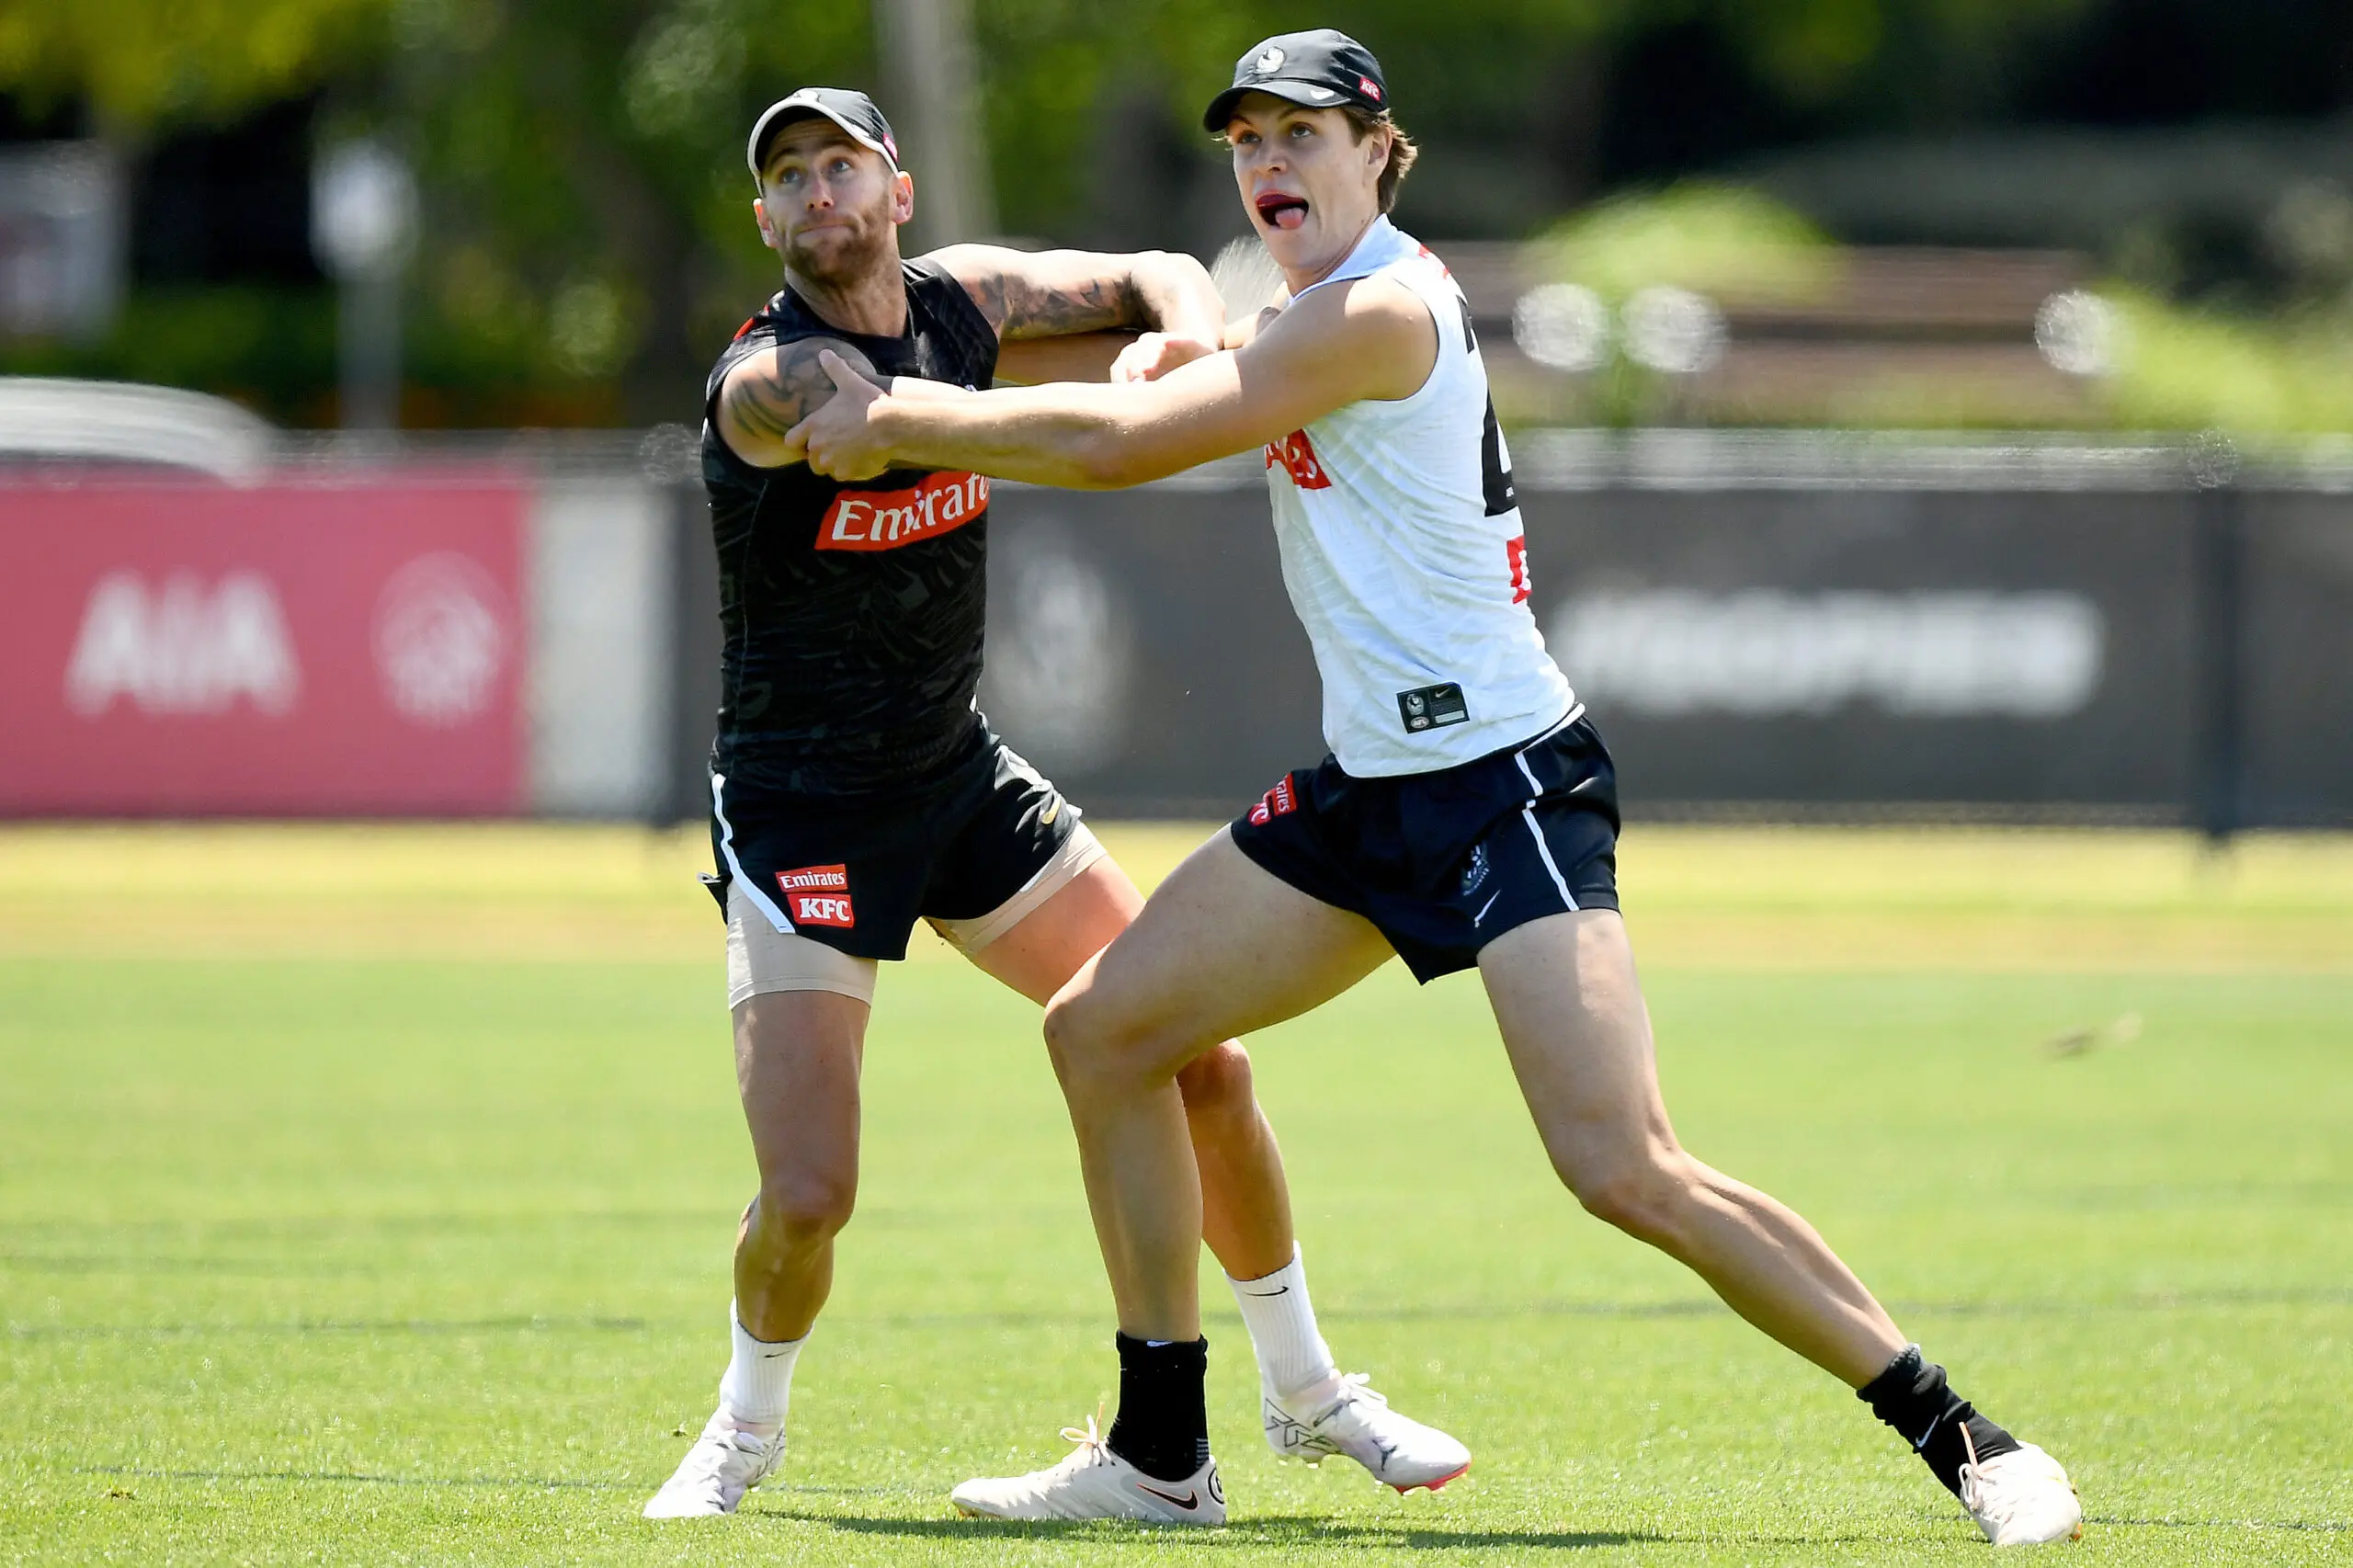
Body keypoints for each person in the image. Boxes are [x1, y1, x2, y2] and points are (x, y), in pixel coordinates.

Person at [786, 31, 2086, 1547]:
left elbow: (1127, 444)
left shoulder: (1384, 308)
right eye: (1247, 143)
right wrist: (1179, 330)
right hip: (1370, 793)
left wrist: (896, 416)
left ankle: (1970, 1438)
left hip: (1505, 782)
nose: (1270, 164)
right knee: (1106, 1031)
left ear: (1376, 150)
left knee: (1623, 1165)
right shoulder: (1301, 307)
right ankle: (1158, 1453)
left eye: (1302, 136)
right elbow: (1183, 349)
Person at [640, 85, 1468, 1522]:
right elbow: (841, 422)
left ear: (898, 190)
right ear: (765, 220)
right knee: (812, 1195)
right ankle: (744, 1421)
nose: (816, 193)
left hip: (957, 776)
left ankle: (1308, 1388)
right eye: (788, 178)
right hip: (802, 809)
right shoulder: (764, 376)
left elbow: (1154, 270)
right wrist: (1110, 388)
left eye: (841, 165)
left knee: (1196, 1056)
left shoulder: (962, 301)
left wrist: (1186, 331)